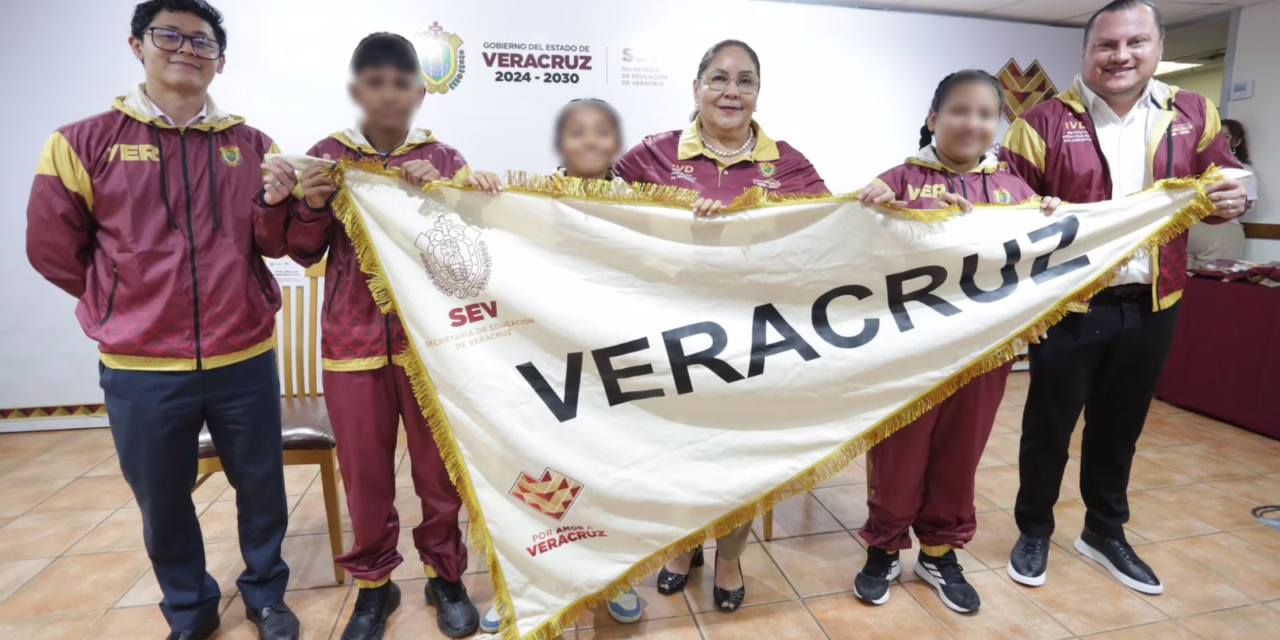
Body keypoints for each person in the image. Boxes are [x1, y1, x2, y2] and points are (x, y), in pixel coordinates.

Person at [25, 2, 300, 639]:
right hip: (140, 364)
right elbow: (51, 248)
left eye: (202, 42)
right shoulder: (81, 143)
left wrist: (276, 201)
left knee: (261, 486)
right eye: (169, 35)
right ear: (137, 46)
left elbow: (271, 241)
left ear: (220, 61)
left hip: (243, 353)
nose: (185, 50)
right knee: (163, 497)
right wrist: (121, 302)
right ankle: (190, 608)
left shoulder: (253, 145)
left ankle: (266, 595)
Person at [1000, 0, 1247, 595]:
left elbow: (1224, 182)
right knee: (1048, 428)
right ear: (1086, 51)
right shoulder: (1041, 123)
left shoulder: (1193, 113)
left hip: (1153, 300)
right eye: (1107, 45)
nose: (1120, 56)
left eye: (1135, 43)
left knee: (1120, 428)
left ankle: (1104, 531)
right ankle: (1034, 529)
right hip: (1068, 305)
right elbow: (1005, 208)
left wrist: (1235, 198)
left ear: (1158, 48)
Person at [276, 32, 500, 640]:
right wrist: (313, 206)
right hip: (350, 344)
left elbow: (469, 255)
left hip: (430, 346)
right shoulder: (326, 157)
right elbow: (302, 251)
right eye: (375, 83)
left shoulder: (444, 159)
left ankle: (444, 576)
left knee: (438, 474)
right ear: (357, 90)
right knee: (365, 475)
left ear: (420, 94)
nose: (389, 94)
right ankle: (375, 586)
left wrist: (452, 197)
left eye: (401, 84)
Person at [614, 39, 829, 612]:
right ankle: (682, 547)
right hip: (672, 335)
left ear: (758, 93)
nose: (731, 91)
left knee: (740, 454)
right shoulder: (651, 155)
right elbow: (589, 204)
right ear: (697, 87)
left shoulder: (790, 164)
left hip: (754, 339)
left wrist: (888, 202)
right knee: (677, 449)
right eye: (719, 78)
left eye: (745, 81)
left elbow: (830, 231)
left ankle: (730, 555)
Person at [855, 70, 1060, 614]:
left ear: (998, 124)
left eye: (985, 114)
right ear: (933, 119)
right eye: (959, 111)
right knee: (898, 455)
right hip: (908, 352)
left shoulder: (1017, 192)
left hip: (983, 352)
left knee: (959, 455)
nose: (972, 123)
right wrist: (872, 208)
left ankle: (939, 551)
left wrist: (1049, 216)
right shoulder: (897, 181)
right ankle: (883, 548)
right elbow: (859, 256)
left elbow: (1038, 264)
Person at [477, 97, 641, 634]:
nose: (590, 140)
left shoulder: (646, 205)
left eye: (601, 131)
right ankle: (522, 580)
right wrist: (474, 193)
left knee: (612, 468)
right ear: (560, 143)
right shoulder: (527, 201)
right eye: (577, 131)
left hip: (615, 361)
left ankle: (616, 577)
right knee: (538, 469)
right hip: (548, 359)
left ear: (616, 142)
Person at [1187, 118, 1252, 267]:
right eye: (1217, 135)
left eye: (1226, 136)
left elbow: (1244, 205)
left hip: (1216, 230)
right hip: (1189, 228)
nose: (1220, 140)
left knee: (1206, 279)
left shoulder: (1243, 171)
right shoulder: (1192, 165)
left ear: (1237, 142)